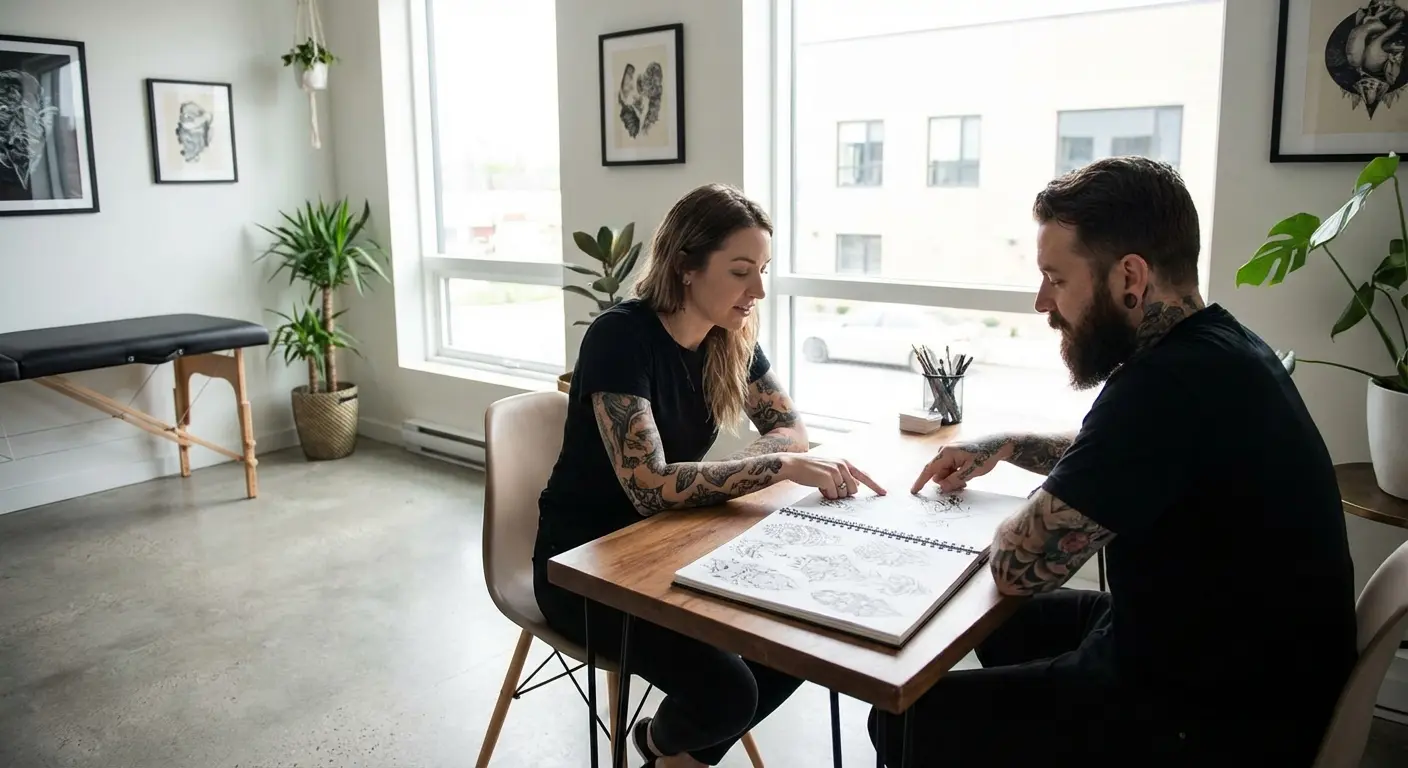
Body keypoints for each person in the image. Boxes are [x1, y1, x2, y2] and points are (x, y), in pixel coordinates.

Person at [873, 157, 1358, 766]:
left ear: (1130, 276)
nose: (1041, 301)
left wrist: (1011, 519)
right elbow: (1128, 457)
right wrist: (1010, 445)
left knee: (907, 721)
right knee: (1006, 627)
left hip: (1214, 718)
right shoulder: (1222, 345)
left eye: (1056, 277)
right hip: (1234, 654)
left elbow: (1015, 568)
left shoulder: (1162, 386)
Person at [533, 183, 885, 768]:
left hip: (676, 543)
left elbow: (791, 432)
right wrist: (776, 466)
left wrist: (779, 458)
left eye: (764, 269)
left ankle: (678, 757)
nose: (759, 291)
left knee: (801, 645)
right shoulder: (621, 337)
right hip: (585, 565)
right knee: (730, 689)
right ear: (686, 267)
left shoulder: (731, 337)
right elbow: (649, 487)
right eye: (742, 270)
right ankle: (658, 743)